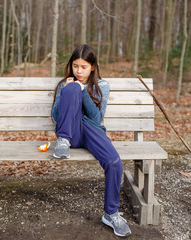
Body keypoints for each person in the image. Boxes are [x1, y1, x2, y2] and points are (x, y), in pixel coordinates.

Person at [51, 44, 132, 237]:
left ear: (93, 67)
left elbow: (96, 119)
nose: (79, 71)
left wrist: (81, 92)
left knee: (114, 162)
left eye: (83, 67)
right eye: (75, 66)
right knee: (72, 89)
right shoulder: (65, 84)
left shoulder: (101, 86)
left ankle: (111, 213)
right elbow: (55, 116)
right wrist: (67, 90)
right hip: (70, 134)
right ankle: (63, 141)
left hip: (92, 132)